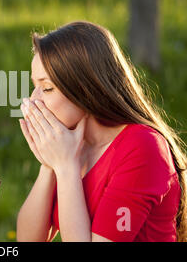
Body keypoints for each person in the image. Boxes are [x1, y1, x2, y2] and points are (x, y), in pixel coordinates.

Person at [16, 21, 187, 242]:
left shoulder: (142, 147)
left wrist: (66, 168)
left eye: (47, 88)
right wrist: (49, 163)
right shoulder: (72, 143)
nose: (33, 100)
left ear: (86, 90)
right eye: (35, 86)